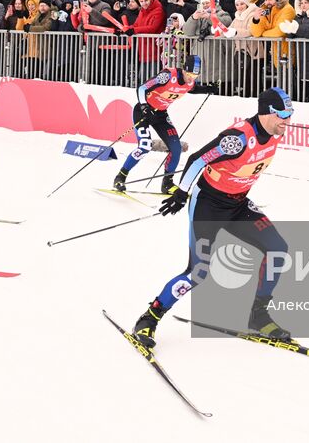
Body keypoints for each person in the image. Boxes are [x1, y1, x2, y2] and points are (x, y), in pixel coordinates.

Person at [125, 87, 294, 349]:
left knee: (278, 249)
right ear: (266, 112)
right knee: (198, 272)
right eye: (282, 113)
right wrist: (181, 194)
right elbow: (196, 160)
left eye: (290, 114)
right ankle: (150, 317)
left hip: (238, 206)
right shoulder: (237, 139)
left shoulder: (275, 131)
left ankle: (258, 315)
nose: (287, 120)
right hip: (208, 207)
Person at [113, 54, 215, 195]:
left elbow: (192, 88)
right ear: (184, 70)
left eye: (196, 75)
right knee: (145, 146)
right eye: (190, 74)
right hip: (144, 112)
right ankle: (120, 177)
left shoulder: (190, 82)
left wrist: (208, 88)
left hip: (160, 115)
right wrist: (144, 106)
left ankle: (167, 183)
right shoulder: (168, 76)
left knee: (176, 148)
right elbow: (142, 88)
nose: (192, 78)